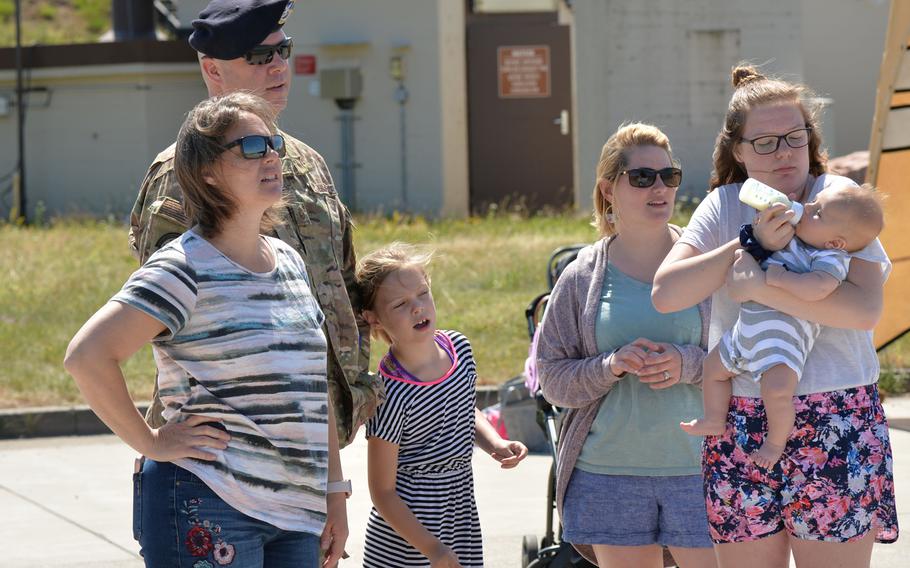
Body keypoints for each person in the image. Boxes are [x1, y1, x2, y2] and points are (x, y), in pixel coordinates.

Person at [65, 92, 347, 567]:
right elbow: (87, 356)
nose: (272, 155)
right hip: (209, 499)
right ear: (207, 172)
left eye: (274, 142)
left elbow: (313, 388)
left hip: (296, 516)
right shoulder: (184, 267)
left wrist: (334, 492)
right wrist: (151, 442)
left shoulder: (290, 263)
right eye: (251, 147)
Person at [652, 65, 898, 568]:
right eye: (764, 142)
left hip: (837, 415)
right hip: (739, 420)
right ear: (738, 150)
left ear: (810, 139)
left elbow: (864, 310)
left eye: (793, 137)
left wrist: (762, 287)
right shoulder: (723, 205)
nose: (783, 152)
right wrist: (750, 244)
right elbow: (666, 292)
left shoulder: (840, 201)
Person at [128, 0, 381, 449]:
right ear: (213, 70)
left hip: (315, 431)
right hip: (228, 444)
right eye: (260, 57)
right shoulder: (182, 174)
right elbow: (164, 316)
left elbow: (341, 281)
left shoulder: (303, 161)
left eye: (283, 50)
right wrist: (153, 444)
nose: (279, 65)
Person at [536, 123, 716, 568]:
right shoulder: (581, 277)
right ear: (608, 188)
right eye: (642, 177)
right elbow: (552, 379)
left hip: (701, 469)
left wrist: (688, 364)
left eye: (668, 176)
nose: (659, 188)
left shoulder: (706, 263)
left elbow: (748, 359)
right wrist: (608, 366)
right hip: (608, 476)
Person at [681, 184, 885, 469]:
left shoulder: (829, 259)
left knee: (776, 392)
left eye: (817, 213)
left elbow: (817, 289)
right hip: (745, 333)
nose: (807, 208)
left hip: (781, 343)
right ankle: (714, 418)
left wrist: (773, 279)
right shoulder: (790, 238)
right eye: (813, 202)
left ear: (835, 242)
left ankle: (775, 442)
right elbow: (752, 254)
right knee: (712, 369)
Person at [355, 243, 529, 568]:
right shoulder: (389, 392)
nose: (418, 308)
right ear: (373, 318)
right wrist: (431, 548)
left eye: (422, 294)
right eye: (401, 304)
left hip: (458, 515)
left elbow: (463, 409)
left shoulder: (459, 349)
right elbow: (382, 491)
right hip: (407, 537)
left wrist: (495, 443)